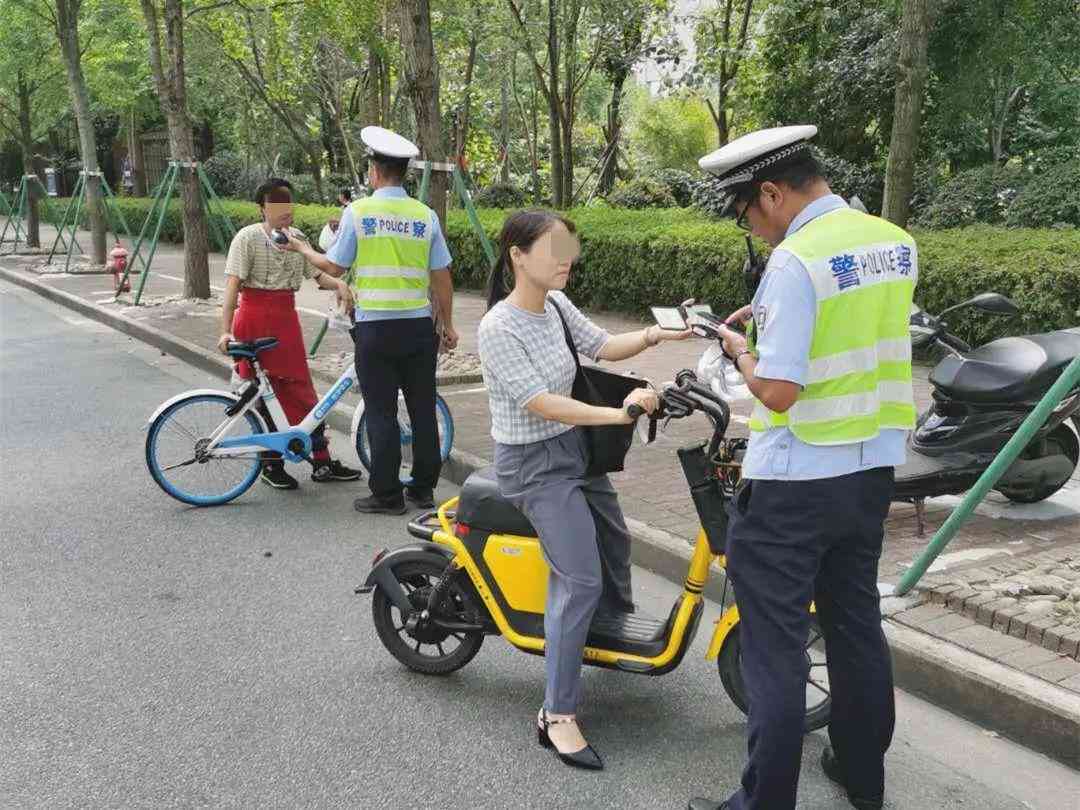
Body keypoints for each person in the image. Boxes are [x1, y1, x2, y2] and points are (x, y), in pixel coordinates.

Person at [687, 126, 918, 810]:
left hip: (793, 485)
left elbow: (779, 391)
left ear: (772, 192)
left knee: (775, 651)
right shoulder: (893, 241)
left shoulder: (795, 262)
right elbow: (849, 336)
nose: (752, 229)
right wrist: (763, 323)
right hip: (870, 472)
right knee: (854, 626)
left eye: (747, 214)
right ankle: (862, 778)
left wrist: (740, 352)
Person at [478, 209, 691, 771]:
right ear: (518, 256)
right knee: (578, 577)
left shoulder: (555, 306)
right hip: (533, 465)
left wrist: (655, 335)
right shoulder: (498, 327)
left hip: (573, 450)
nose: (566, 258)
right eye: (554, 249)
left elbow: (601, 345)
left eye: (568, 247)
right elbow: (538, 402)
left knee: (615, 541)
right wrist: (615, 412)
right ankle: (557, 713)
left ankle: (601, 633)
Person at [282, 127, 457, 515]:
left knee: (381, 411)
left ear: (375, 171)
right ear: (403, 172)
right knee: (422, 408)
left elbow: (335, 265)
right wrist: (448, 323)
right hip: (417, 329)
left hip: (376, 330)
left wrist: (302, 248)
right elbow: (442, 276)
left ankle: (388, 495)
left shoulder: (359, 212)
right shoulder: (424, 216)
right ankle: (424, 491)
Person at [218, 177, 362, 490]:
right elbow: (232, 287)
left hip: (286, 321)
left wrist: (339, 284)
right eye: (277, 204)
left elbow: (317, 274)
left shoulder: (296, 237)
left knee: (301, 391)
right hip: (254, 319)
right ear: (262, 209)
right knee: (264, 394)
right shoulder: (246, 238)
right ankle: (271, 465)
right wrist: (225, 331)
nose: (286, 210)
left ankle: (321, 461)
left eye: (288, 203)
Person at [318, 188, 354, 252]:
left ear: (343, 196)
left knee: (328, 229)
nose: (339, 197)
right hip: (345, 227)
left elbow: (346, 221)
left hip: (347, 229)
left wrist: (335, 221)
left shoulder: (348, 207)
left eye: (339, 195)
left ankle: (330, 249)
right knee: (329, 226)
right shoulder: (347, 206)